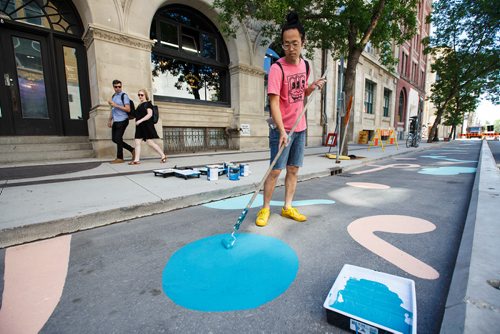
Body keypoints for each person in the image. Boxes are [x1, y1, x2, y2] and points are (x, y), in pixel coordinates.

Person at [256, 11, 326, 227]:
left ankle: (287, 207)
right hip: (282, 129)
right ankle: (265, 208)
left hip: (300, 127)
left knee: (293, 169)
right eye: (286, 44)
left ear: (303, 42)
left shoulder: (306, 65)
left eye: (294, 43)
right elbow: (274, 103)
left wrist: (312, 87)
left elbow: (300, 93)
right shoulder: (277, 69)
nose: (290, 49)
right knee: (275, 170)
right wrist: (282, 130)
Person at [128, 89, 167, 165]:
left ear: (145, 95)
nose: (140, 96)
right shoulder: (140, 105)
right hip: (140, 126)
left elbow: (150, 114)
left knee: (150, 142)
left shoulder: (148, 104)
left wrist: (140, 121)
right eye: (139, 95)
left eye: (141, 95)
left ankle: (163, 155)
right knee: (137, 142)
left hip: (146, 126)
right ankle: (136, 160)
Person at [107, 79, 135, 163]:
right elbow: (112, 109)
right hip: (116, 121)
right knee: (114, 139)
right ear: (113, 87)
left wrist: (116, 105)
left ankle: (120, 158)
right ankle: (132, 149)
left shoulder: (124, 96)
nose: (118, 88)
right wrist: (109, 120)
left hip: (123, 119)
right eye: (116, 87)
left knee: (118, 138)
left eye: (120, 86)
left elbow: (128, 109)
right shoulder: (113, 96)